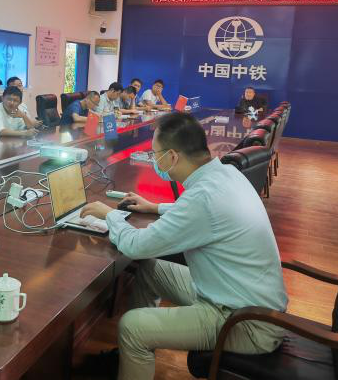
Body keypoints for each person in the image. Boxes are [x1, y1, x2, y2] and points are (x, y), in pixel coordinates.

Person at [80, 112, 287, 380]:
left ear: (172, 157)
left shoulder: (203, 198)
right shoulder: (225, 173)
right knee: (150, 270)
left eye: (155, 154)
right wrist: (155, 207)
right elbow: (202, 213)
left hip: (245, 323)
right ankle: (129, 359)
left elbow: (135, 245)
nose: (154, 160)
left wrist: (109, 214)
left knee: (132, 327)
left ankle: (135, 348)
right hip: (239, 297)